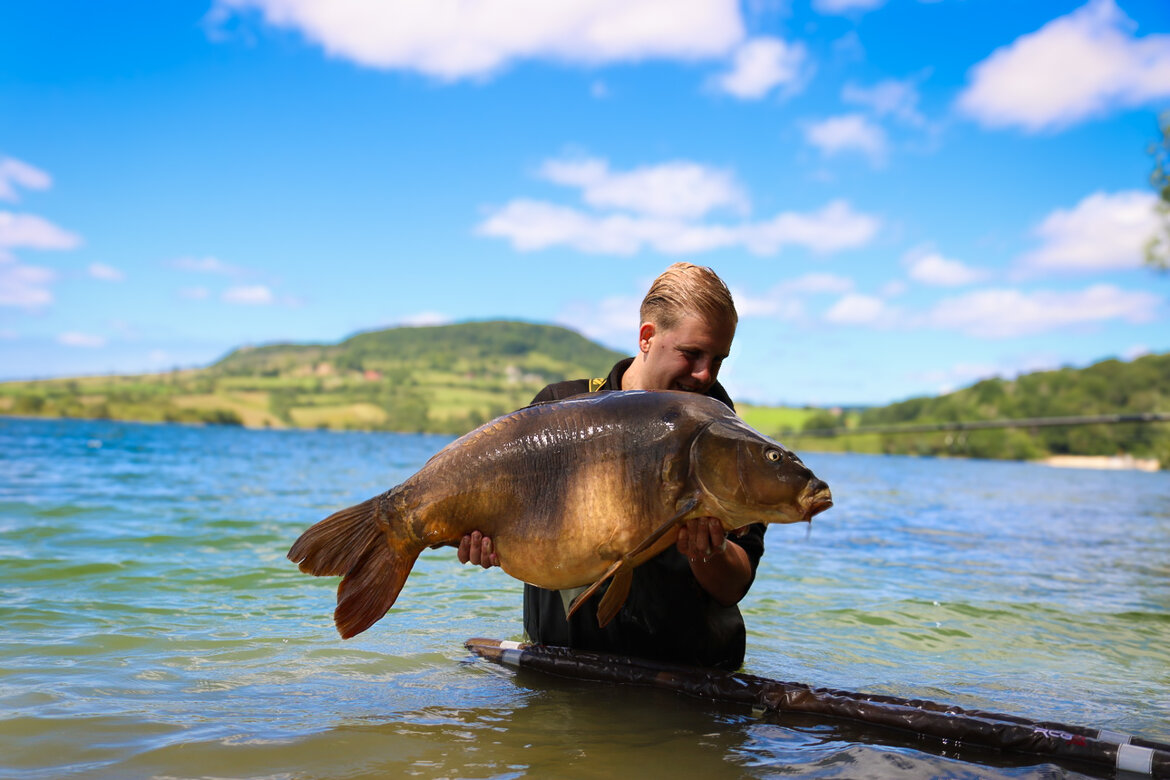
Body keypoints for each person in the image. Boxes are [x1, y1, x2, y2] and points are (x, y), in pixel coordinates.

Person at [457, 262, 766, 671]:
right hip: (562, 671)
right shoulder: (557, 410)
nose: (704, 374)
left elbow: (734, 587)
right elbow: (512, 533)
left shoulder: (733, 447)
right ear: (647, 337)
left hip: (688, 683)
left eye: (718, 359)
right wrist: (482, 541)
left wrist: (709, 552)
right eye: (691, 354)